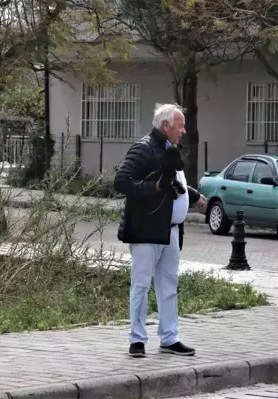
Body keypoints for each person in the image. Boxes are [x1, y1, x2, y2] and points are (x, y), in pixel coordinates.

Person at [114, 103, 207, 358]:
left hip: (171, 230)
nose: (184, 130)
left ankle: (169, 338)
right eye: (180, 126)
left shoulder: (170, 149)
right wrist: (154, 188)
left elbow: (173, 184)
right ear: (165, 126)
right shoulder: (143, 148)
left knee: (169, 285)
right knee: (141, 285)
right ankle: (137, 340)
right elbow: (121, 182)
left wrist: (195, 196)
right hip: (146, 229)